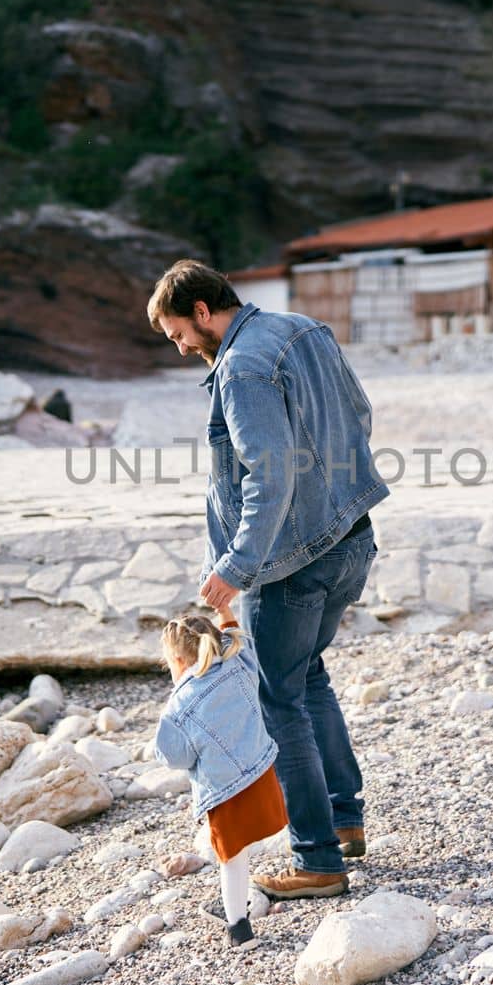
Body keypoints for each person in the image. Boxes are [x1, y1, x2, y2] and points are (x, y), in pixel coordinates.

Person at [147, 259, 389, 900]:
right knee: (307, 678)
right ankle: (343, 823)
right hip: (350, 538)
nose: (178, 347)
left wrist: (235, 567)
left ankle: (318, 861)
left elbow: (268, 476)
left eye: (178, 334)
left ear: (202, 311)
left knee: (278, 699)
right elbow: (359, 414)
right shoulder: (305, 329)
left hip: (290, 563)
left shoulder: (244, 367)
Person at [154, 613, 287, 948]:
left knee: (233, 860)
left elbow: (175, 757)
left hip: (226, 794)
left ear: (179, 660)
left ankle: (239, 929)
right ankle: (238, 910)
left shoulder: (178, 706)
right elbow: (236, 636)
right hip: (261, 776)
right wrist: (226, 613)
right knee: (242, 851)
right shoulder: (240, 664)